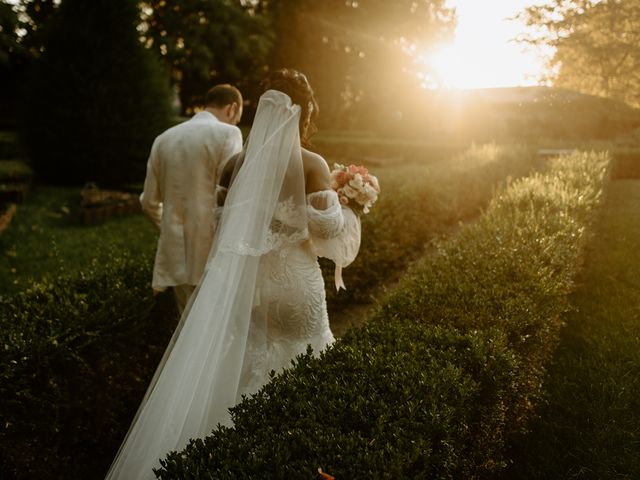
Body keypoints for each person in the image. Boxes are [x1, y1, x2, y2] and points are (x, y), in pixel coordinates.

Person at [105, 69, 361, 480]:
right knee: (306, 361)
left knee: (248, 371)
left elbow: (222, 224)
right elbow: (328, 232)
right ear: (302, 111)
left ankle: (239, 459)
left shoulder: (234, 165)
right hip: (295, 287)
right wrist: (349, 207)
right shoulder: (312, 163)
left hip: (250, 291)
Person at [140, 84, 243, 314]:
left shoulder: (163, 139)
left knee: (186, 331)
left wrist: (169, 226)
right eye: (237, 118)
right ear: (232, 109)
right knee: (214, 333)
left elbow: (148, 202)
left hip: (175, 252)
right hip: (213, 252)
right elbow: (230, 197)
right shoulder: (229, 134)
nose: (236, 123)